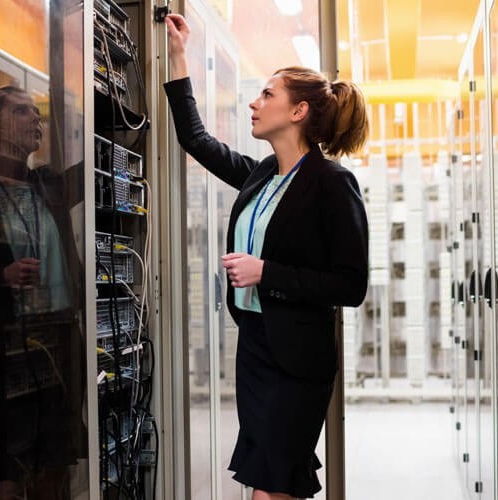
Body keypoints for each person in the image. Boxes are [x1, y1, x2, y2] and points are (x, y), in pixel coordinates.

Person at [164, 14, 369, 500]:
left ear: (298, 112)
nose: (254, 104)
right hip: (256, 348)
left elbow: (350, 285)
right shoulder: (260, 176)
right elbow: (196, 140)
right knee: (276, 483)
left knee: (271, 488)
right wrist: (177, 56)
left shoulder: (332, 184)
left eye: (267, 95)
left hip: (298, 360)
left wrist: (266, 273)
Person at [0, 85, 85, 500]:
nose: (35, 119)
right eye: (22, 112)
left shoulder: (46, 185)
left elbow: (90, 166)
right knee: (6, 465)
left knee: (56, 458)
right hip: (4, 342)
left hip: (57, 338)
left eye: (37, 112)